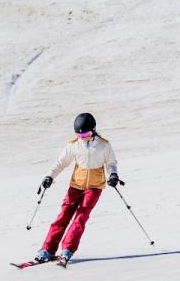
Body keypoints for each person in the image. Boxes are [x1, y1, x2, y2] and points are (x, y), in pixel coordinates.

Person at [32, 112, 120, 265]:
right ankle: (47, 250)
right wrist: (49, 177)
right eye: (80, 135)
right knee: (63, 216)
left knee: (80, 217)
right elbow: (60, 163)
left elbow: (111, 163)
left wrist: (113, 175)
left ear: (93, 130)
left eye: (86, 133)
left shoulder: (103, 145)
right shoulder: (73, 145)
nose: (83, 137)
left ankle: (67, 249)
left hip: (94, 186)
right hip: (75, 186)